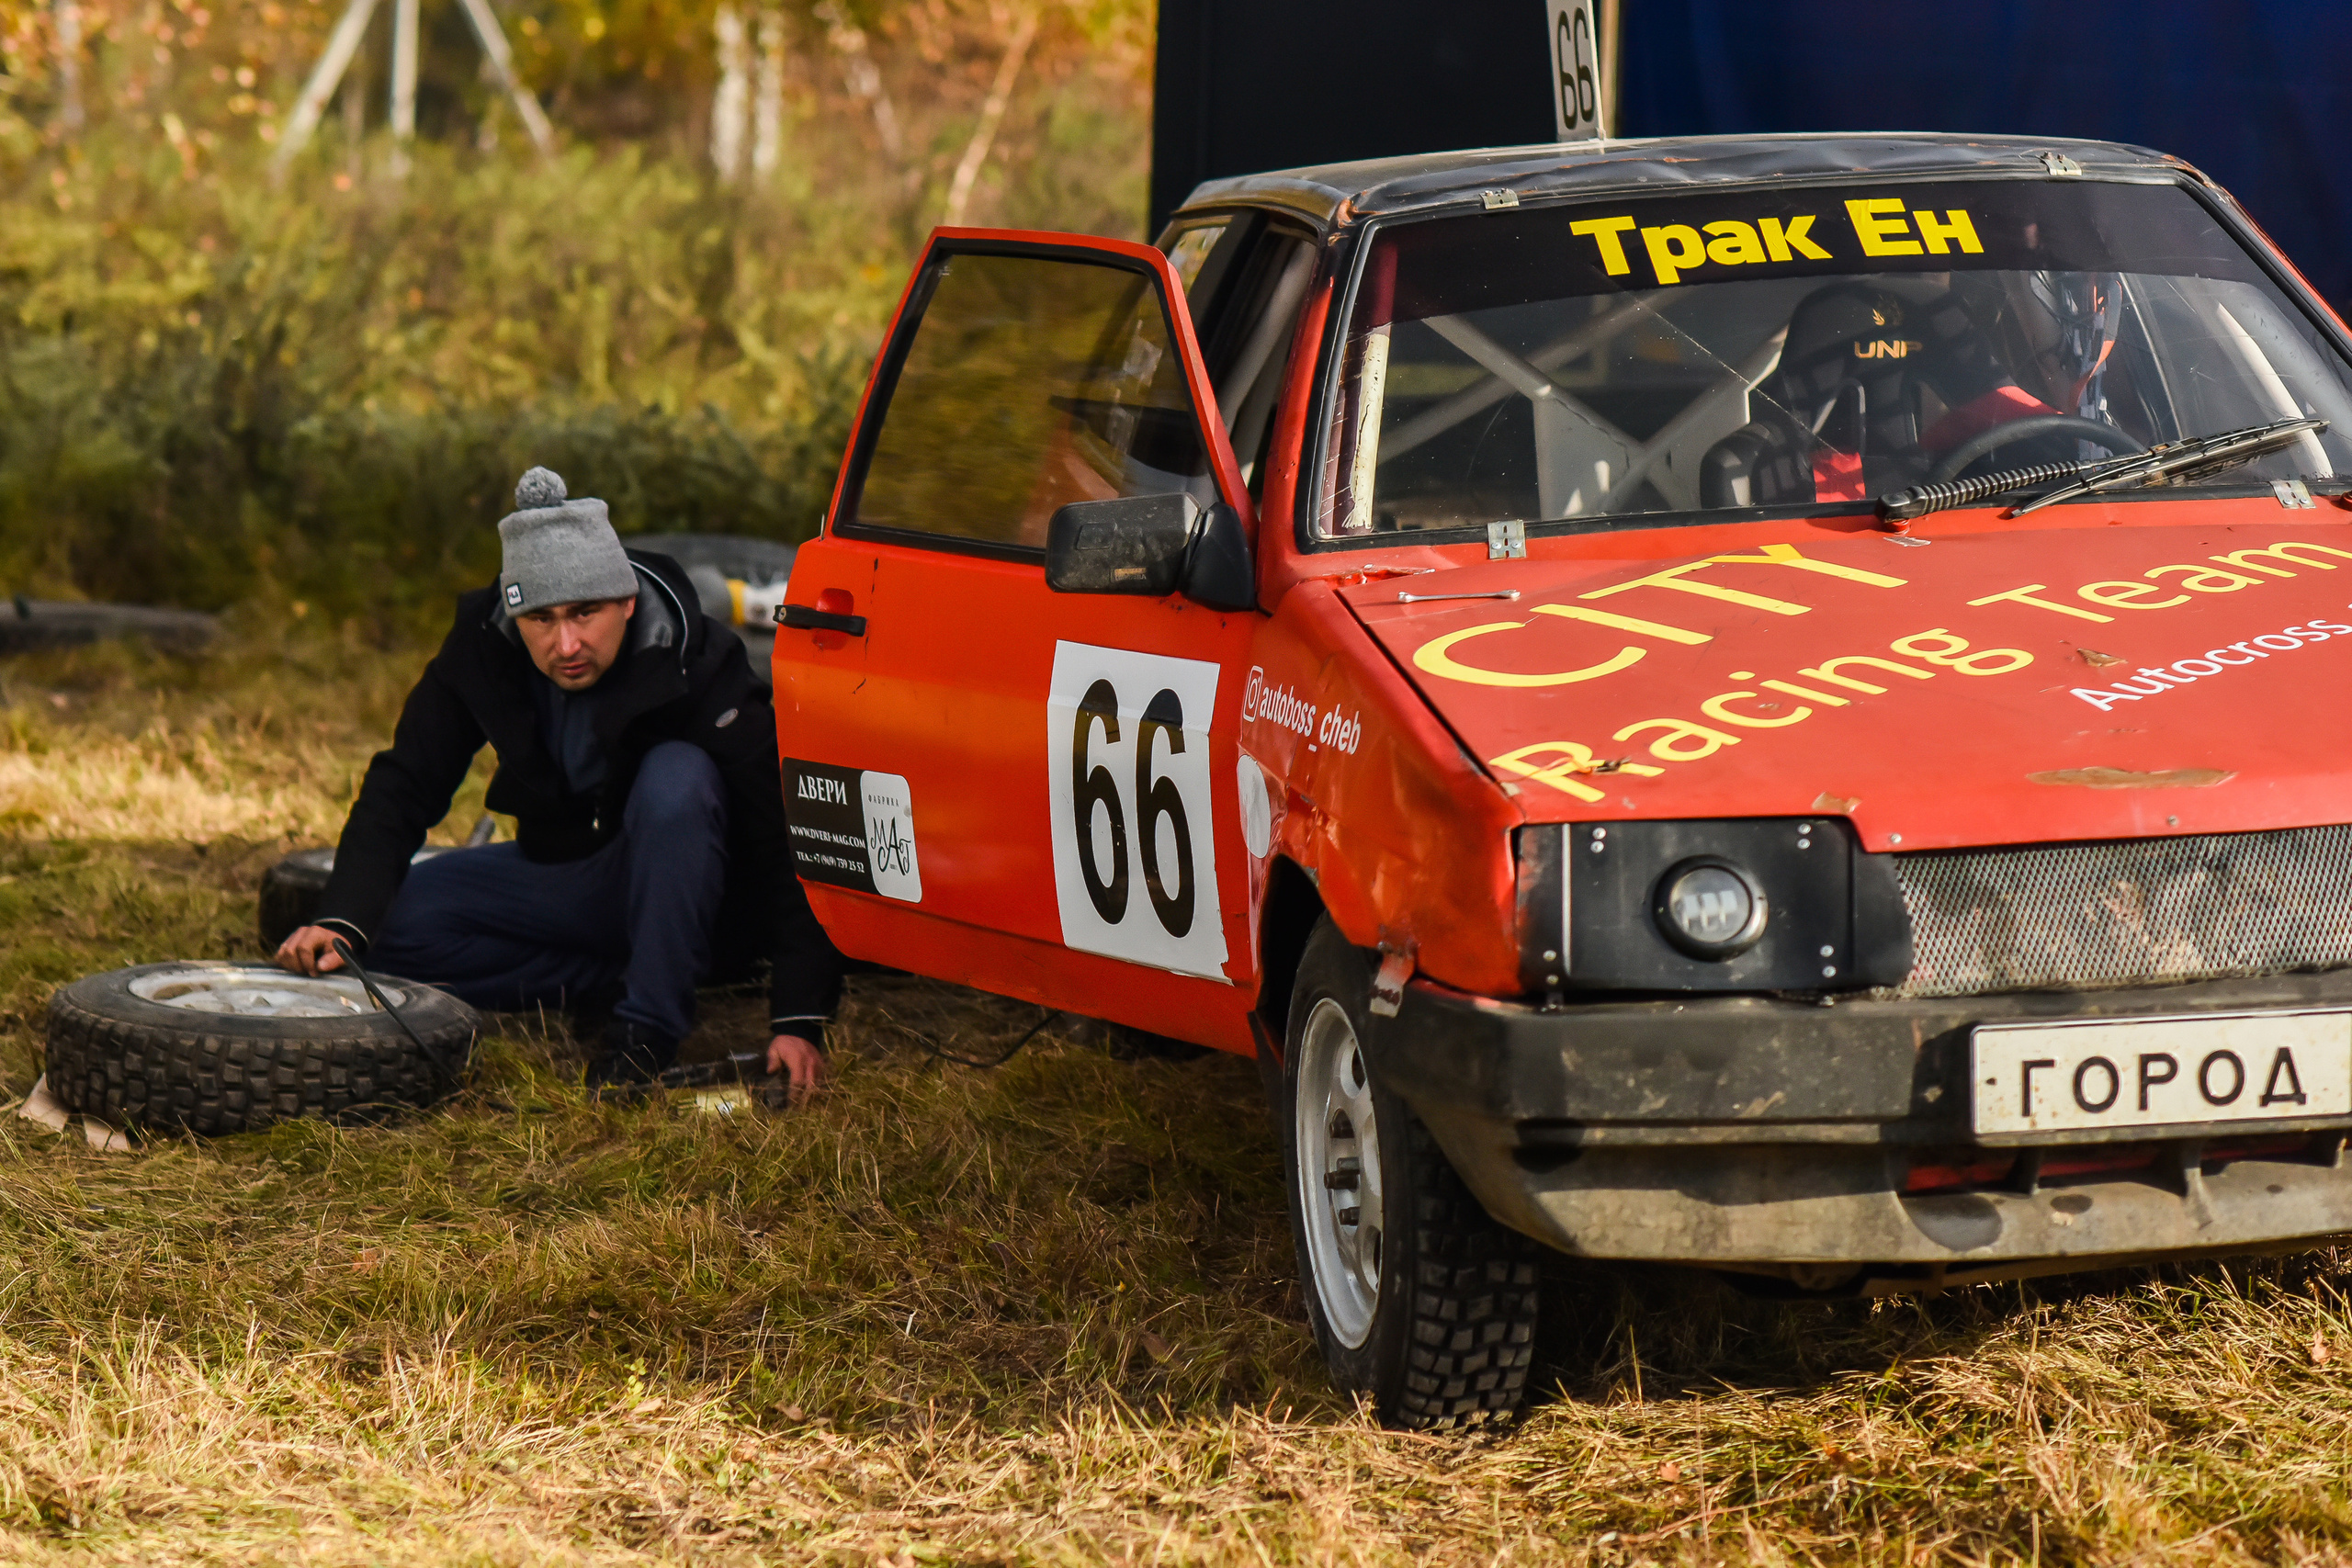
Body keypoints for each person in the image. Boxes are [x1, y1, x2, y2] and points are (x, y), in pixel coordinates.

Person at [276, 466, 842, 1098]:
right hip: (572, 873)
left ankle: (647, 1025)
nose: (566, 642)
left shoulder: (697, 659)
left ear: (626, 600)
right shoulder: (484, 647)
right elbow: (404, 781)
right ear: (515, 615)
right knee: (388, 930)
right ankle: (626, 974)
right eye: (541, 619)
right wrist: (342, 918)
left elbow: (782, 833)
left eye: (585, 612)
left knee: (677, 778)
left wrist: (798, 1017)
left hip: (696, 889)